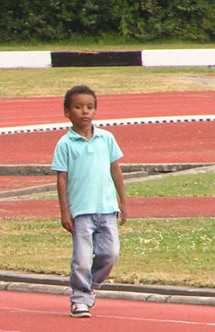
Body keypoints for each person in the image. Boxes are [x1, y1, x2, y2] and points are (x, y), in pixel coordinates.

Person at [51, 85, 127, 318]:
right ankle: (80, 299)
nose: (85, 111)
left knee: (110, 254)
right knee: (82, 259)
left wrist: (122, 201)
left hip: (107, 208)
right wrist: (65, 211)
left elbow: (115, 169)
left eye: (90, 107)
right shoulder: (65, 144)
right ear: (67, 112)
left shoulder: (107, 138)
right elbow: (61, 178)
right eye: (78, 107)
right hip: (81, 211)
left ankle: (88, 287)